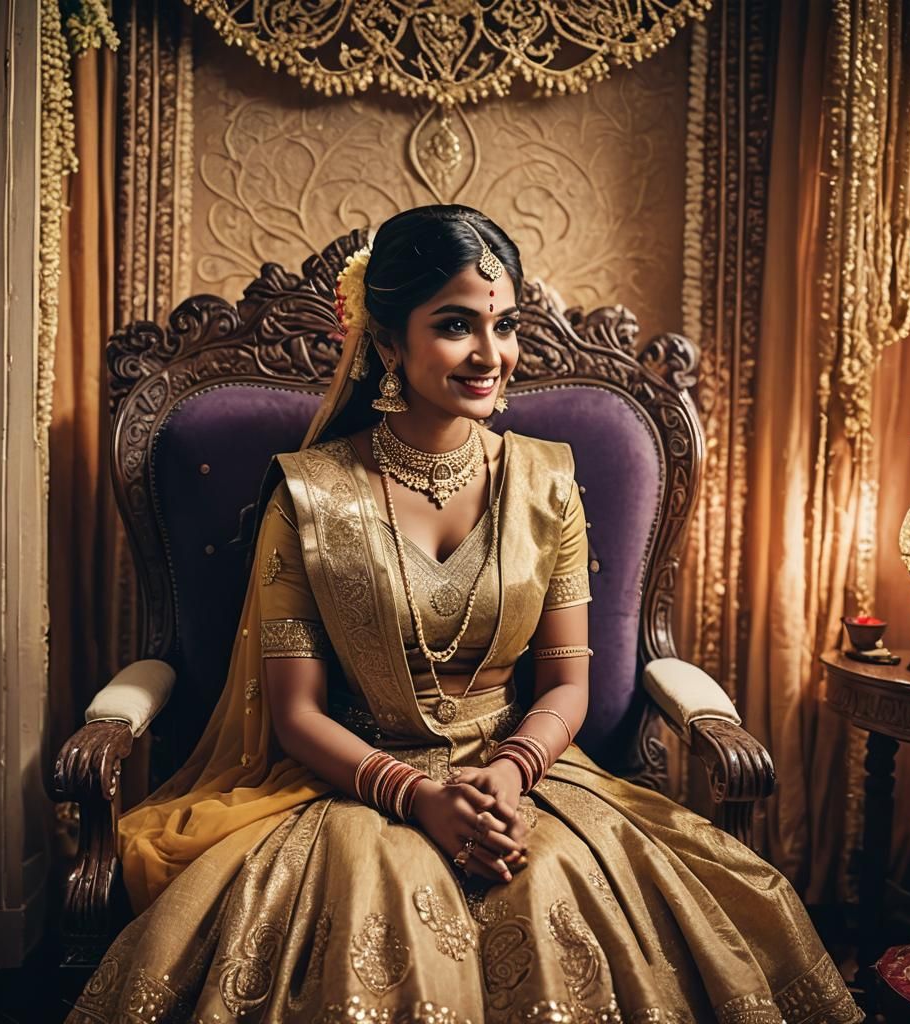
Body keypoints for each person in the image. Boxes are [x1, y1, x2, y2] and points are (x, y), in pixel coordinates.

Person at [67, 206, 861, 1024]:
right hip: (352, 787)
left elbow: (566, 684)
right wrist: (418, 797)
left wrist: (510, 773)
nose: (492, 355)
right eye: (456, 326)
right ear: (386, 344)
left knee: (555, 883)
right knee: (390, 906)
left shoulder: (549, 482)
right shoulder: (310, 495)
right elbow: (294, 710)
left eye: (504, 323)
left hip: (525, 774)